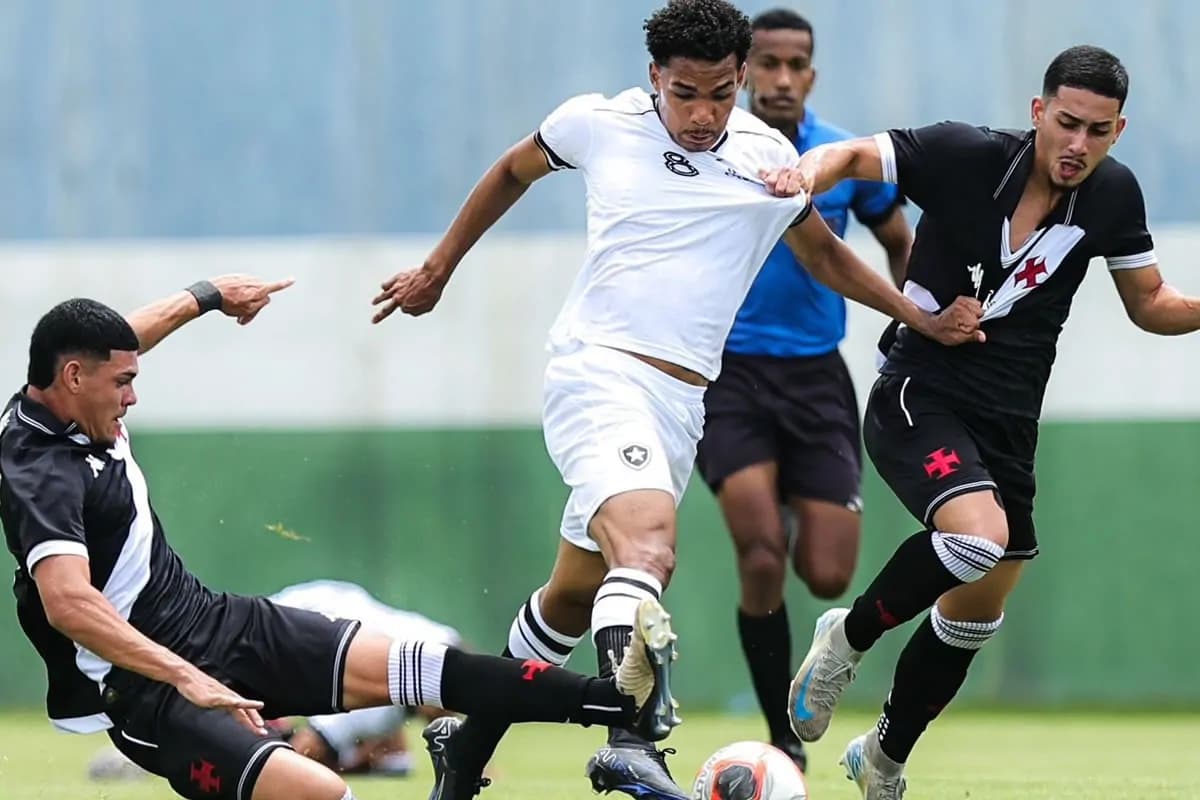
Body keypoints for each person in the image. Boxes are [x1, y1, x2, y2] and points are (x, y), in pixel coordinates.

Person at [370, 2, 982, 798]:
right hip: (598, 374)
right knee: (649, 550)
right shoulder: (597, 123)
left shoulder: (767, 156)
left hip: (683, 402)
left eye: (720, 94)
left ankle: (468, 739)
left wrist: (918, 318)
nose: (702, 114)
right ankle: (630, 735)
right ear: (654, 76)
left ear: (740, 79)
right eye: (685, 93)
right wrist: (438, 269)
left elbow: (824, 256)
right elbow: (513, 169)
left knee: (572, 596)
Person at [0, 278, 679, 800]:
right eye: (123, 383)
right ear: (73, 378)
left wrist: (208, 297)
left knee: (427, 665)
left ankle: (621, 702)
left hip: (218, 623)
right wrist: (186, 676)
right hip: (146, 690)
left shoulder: (79, 387)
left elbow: (127, 338)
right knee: (321, 793)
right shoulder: (39, 471)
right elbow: (69, 603)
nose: (132, 398)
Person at [784, 45, 1200, 799]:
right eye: (1066, 123)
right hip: (920, 390)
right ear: (1038, 112)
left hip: (1009, 423)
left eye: (1097, 131)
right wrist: (801, 175)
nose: (1078, 144)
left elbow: (1150, 304)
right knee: (977, 539)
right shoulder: (963, 154)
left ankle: (883, 759)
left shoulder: (1113, 195)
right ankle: (846, 638)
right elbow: (845, 156)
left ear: (1118, 131)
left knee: (976, 612)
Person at [693, 8, 912, 772]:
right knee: (761, 556)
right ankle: (781, 736)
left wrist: (912, 323)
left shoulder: (840, 155)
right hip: (728, 375)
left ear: (811, 76)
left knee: (827, 574)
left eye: (796, 66)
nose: (782, 78)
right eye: (769, 64)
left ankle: (789, 503)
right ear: (744, 72)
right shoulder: (710, 152)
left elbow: (899, 239)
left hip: (818, 378)